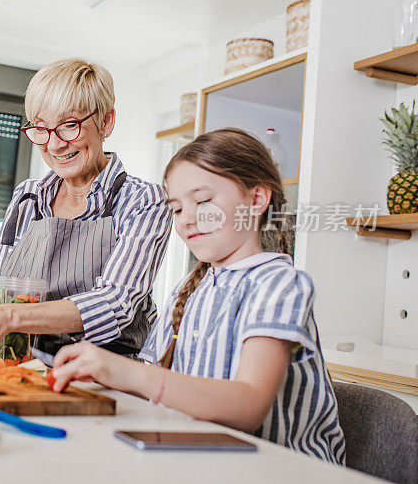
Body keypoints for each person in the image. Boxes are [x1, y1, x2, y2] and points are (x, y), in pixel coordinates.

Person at [50, 128, 345, 464]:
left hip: (284, 471)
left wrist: (130, 374)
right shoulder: (190, 287)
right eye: (176, 209)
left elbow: (248, 407)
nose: (187, 219)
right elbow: (154, 372)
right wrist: (98, 372)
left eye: (203, 201)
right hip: (204, 459)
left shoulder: (279, 284)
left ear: (257, 199)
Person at [0, 58, 172, 358]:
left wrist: (12, 318)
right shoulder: (27, 196)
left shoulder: (143, 201)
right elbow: (2, 300)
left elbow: (115, 304)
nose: (54, 145)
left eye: (69, 125)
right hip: (22, 364)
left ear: (106, 122)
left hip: (101, 377)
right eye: (41, 128)